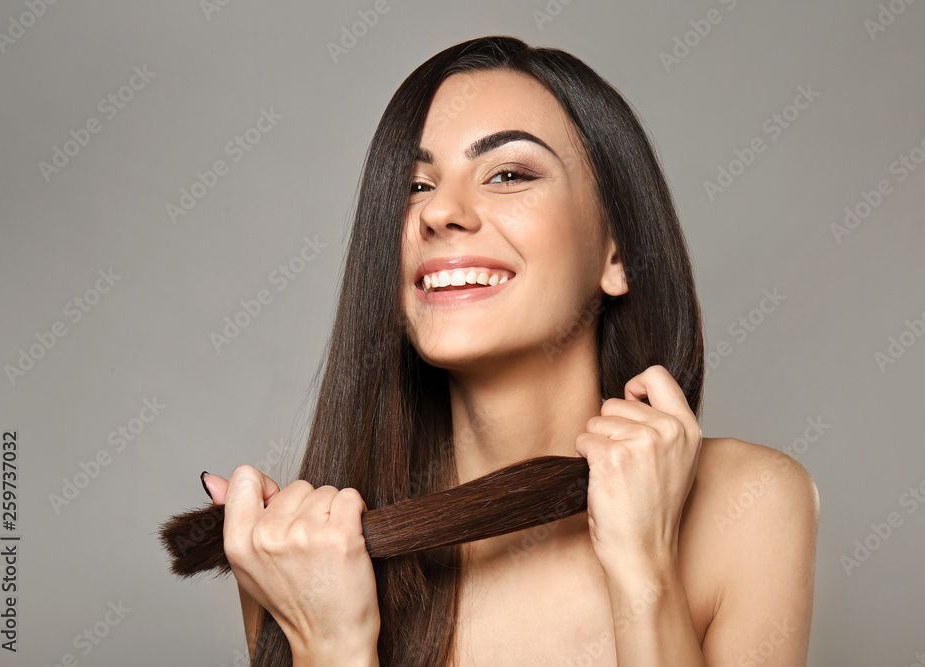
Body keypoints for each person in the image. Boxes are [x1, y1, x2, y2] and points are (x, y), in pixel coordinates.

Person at [200, 36, 819, 666]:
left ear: (617, 251)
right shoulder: (304, 553)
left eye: (508, 174)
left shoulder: (751, 505)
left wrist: (644, 570)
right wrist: (330, 645)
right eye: (414, 186)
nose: (439, 211)